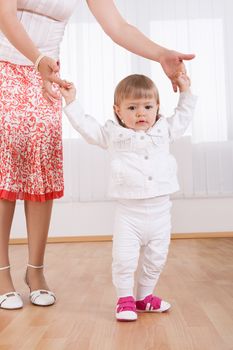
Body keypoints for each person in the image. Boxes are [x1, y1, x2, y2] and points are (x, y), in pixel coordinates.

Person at [0, 0, 194, 310]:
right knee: (5, 171)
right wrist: (37, 58)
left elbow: (117, 26)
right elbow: (5, 14)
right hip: (7, 67)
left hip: (45, 74)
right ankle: (2, 274)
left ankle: (35, 272)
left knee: (40, 171)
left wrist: (160, 54)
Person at [60, 73, 197, 321]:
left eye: (147, 107)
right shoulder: (113, 134)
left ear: (157, 108)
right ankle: (124, 299)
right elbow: (88, 128)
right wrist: (71, 102)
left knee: (157, 257)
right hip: (129, 216)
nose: (140, 113)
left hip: (160, 214)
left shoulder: (164, 130)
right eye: (132, 108)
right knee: (124, 258)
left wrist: (186, 92)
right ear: (118, 110)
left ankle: (144, 297)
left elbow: (184, 116)